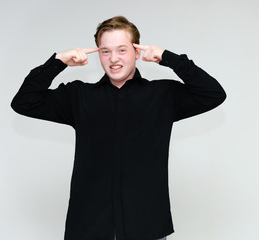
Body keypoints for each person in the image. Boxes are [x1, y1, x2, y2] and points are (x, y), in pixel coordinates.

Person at [11, 16, 226, 240]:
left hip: (146, 226)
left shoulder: (163, 95)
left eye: (122, 50)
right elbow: (24, 102)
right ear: (98, 54)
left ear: (136, 52)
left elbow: (213, 94)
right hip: (88, 227)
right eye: (105, 51)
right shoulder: (78, 96)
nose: (114, 58)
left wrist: (169, 59)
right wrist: (57, 62)